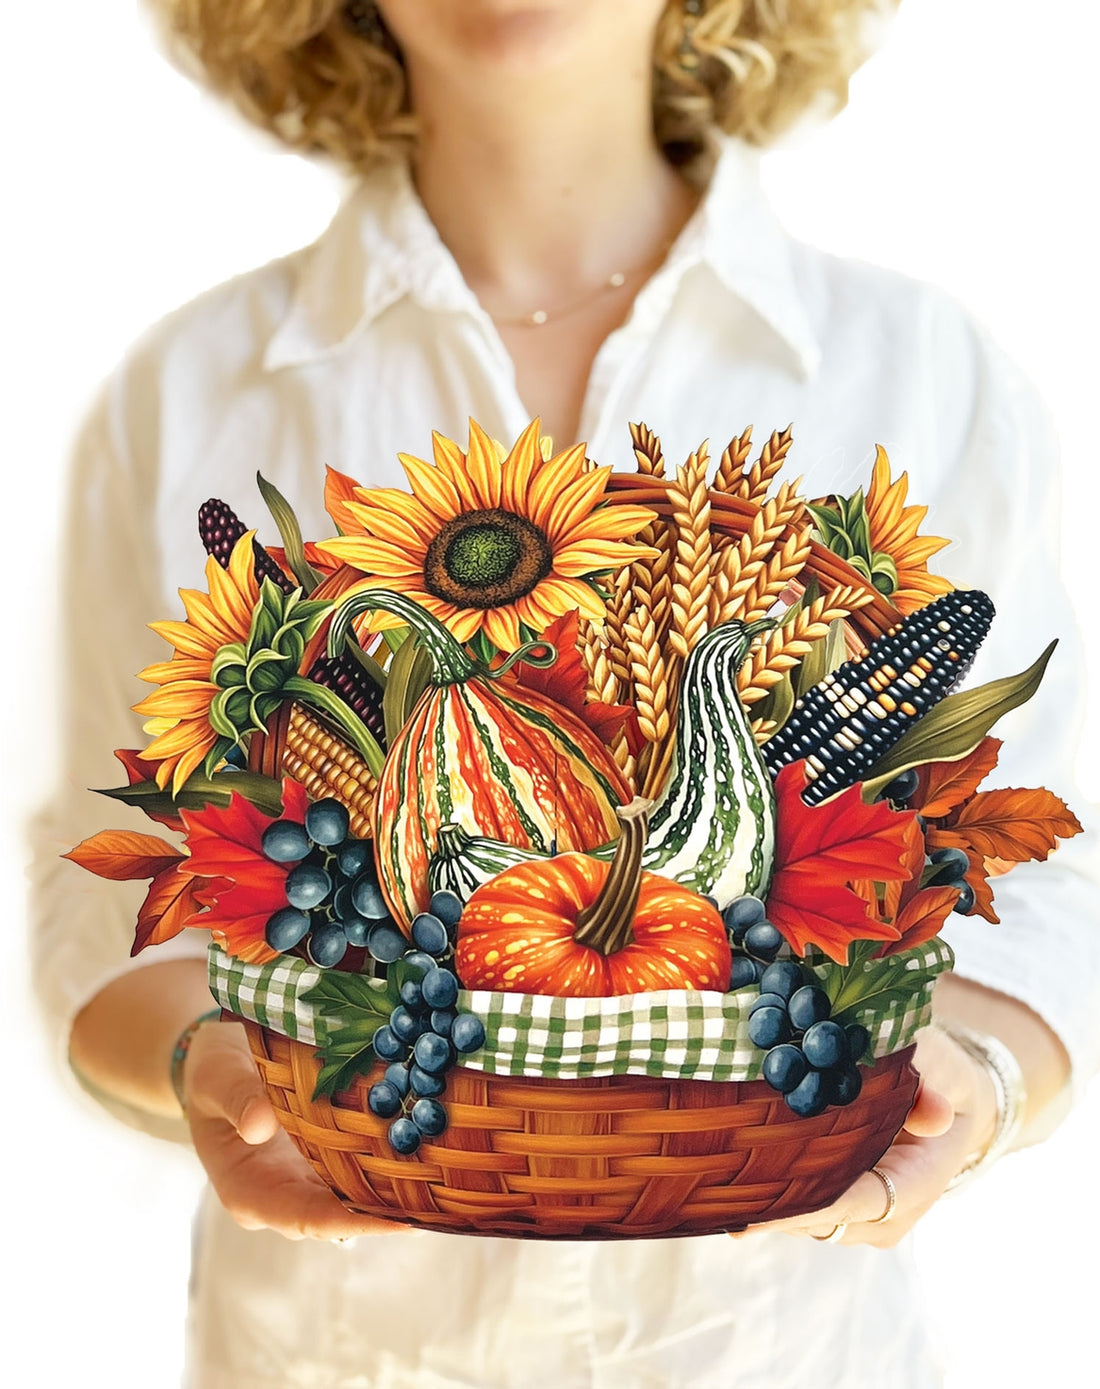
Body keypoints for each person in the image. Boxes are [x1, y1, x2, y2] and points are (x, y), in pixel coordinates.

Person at [32, 1, 1098, 1385]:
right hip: (333, 1353)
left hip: (770, 1349)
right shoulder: (191, 395)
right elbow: (100, 893)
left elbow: (1055, 887)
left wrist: (980, 1078)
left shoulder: (921, 372)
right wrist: (208, 1067)